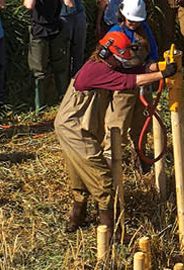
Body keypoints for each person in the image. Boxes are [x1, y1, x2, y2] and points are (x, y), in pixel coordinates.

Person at [54, 30, 177, 232]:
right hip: (75, 130)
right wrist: (161, 75)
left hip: (75, 127)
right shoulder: (96, 71)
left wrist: (159, 66)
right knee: (103, 180)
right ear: (111, 55)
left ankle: (76, 219)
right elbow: (129, 81)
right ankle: (112, 233)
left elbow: (132, 71)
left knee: (80, 174)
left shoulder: (102, 64)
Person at [104, 0, 160, 167]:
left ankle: (140, 157)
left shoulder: (145, 29)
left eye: (137, 21)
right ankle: (111, 162)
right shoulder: (114, 33)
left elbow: (153, 53)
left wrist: (157, 67)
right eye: (131, 20)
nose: (134, 24)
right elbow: (106, 64)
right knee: (117, 125)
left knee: (142, 124)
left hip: (143, 84)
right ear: (123, 15)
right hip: (123, 87)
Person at [23, 0, 76, 110]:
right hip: (39, 31)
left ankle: (63, 99)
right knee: (39, 70)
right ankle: (40, 104)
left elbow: (70, 3)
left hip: (56, 29)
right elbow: (29, 5)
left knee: (60, 66)